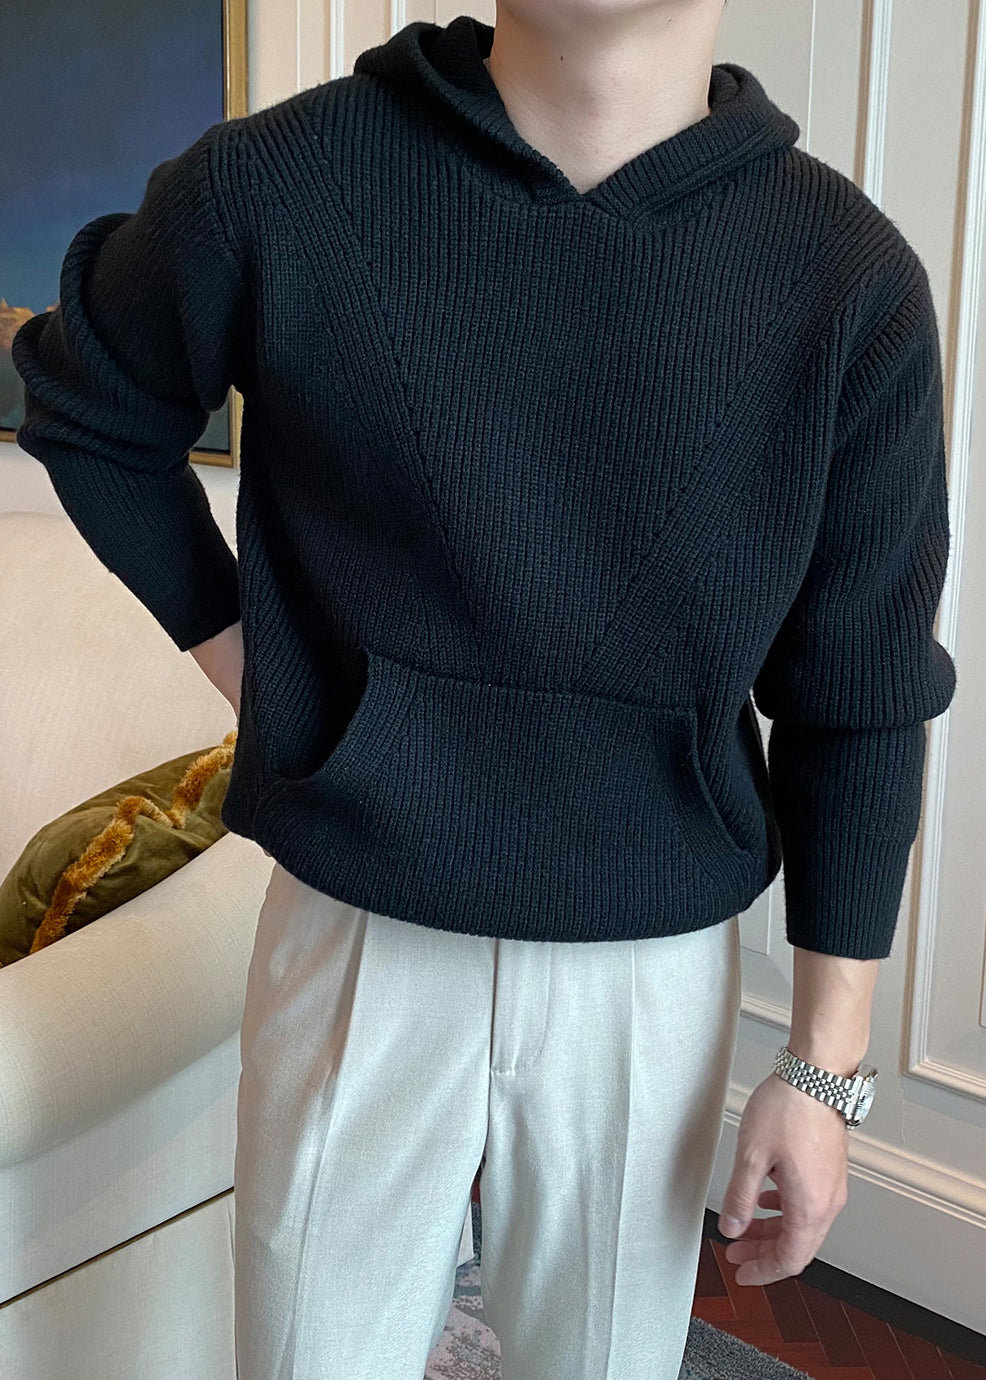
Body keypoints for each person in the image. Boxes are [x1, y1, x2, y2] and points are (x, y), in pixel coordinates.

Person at [12, 4, 955, 1378]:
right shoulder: (285, 180)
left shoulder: (845, 280)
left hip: (646, 960)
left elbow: (858, 693)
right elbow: (90, 407)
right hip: (355, 924)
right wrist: (260, 673)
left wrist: (822, 1070)